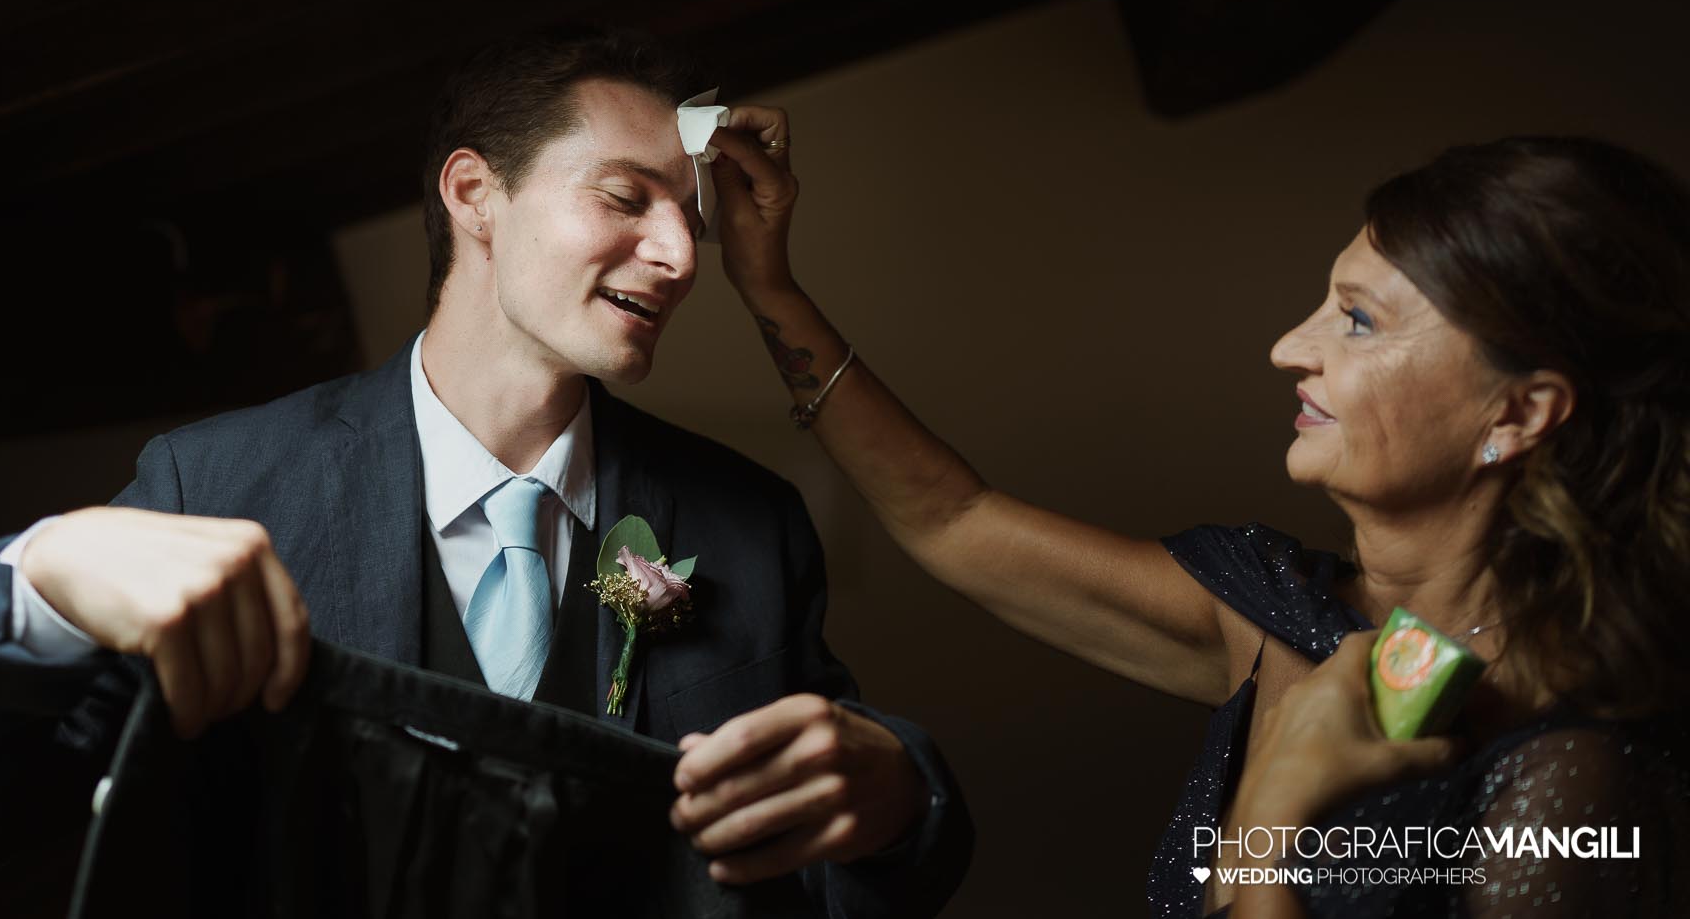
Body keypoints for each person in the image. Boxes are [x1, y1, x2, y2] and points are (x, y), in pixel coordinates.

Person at [0, 26, 970, 918]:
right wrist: (36, 574)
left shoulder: (748, 525)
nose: (680, 256)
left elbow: (832, 873)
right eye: (626, 199)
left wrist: (898, 795)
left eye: (688, 218)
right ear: (473, 193)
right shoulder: (215, 478)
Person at [700, 118, 1690, 918]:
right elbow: (953, 519)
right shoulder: (1266, 609)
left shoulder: (1578, 779)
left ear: (1515, 413)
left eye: (1357, 320)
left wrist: (1266, 824)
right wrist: (768, 287)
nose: (1285, 348)